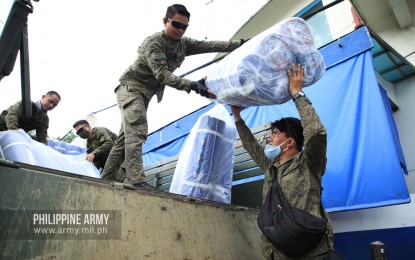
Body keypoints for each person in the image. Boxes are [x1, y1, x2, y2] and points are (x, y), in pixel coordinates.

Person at [101, 4, 245, 190]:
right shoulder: (153, 43)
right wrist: (193, 85)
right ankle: (135, 180)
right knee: (137, 131)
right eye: (176, 24)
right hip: (131, 89)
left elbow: (209, 45)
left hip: (145, 94)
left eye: (184, 27)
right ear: (165, 21)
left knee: (124, 139)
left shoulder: (183, 44)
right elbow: (162, 75)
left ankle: (104, 179)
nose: (180, 30)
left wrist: (240, 44)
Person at [230, 63, 334, 259]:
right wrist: (237, 115)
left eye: (275, 133)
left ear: (290, 142)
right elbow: (250, 145)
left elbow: (317, 132)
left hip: (310, 251)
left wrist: (297, 94)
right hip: (276, 252)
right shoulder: (271, 167)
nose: (270, 138)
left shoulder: (309, 162)